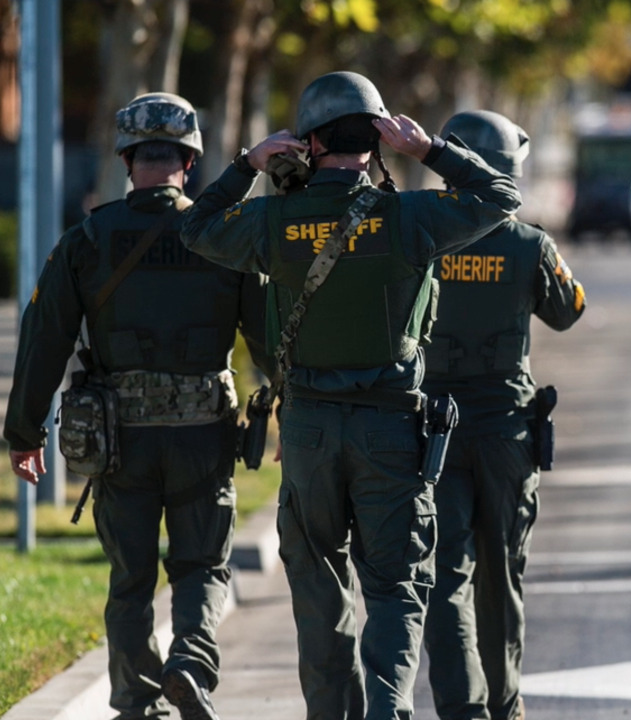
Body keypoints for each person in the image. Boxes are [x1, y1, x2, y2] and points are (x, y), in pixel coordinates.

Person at [180, 71, 521, 720]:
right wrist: (431, 150)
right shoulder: (411, 217)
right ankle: (387, 709)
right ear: (379, 139)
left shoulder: (270, 220)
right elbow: (501, 196)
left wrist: (248, 164)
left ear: (308, 143)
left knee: (318, 589)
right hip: (391, 432)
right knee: (394, 587)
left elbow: (194, 227)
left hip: (307, 432)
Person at [4, 92, 271, 720]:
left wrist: (24, 433)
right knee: (201, 565)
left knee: (130, 581)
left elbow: (44, 339)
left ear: (126, 160)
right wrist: (285, 407)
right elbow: (267, 333)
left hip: (118, 441)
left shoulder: (87, 239)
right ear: (190, 161)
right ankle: (190, 664)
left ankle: (135, 702)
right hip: (205, 435)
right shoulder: (223, 236)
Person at [422, 110, 587, 720]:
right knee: (501, 577)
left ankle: (460, 708)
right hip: (505, 433)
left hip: (433, 433)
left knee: (444, 577)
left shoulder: (423, 238)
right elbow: (568, 310)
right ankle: (505, 703)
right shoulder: (528, 245)